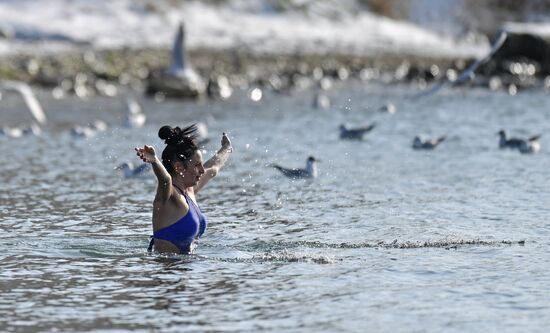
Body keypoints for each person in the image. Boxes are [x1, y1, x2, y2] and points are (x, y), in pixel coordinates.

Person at [135, 124, 232, 254]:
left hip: (188, 271)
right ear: (179, 167)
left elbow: (213, 168)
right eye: (197, 166)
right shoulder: (168, 196)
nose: (202, 170)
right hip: (165, 271)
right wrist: (154, 160)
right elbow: (165, 180)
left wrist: (226, 148)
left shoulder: (190, 191)